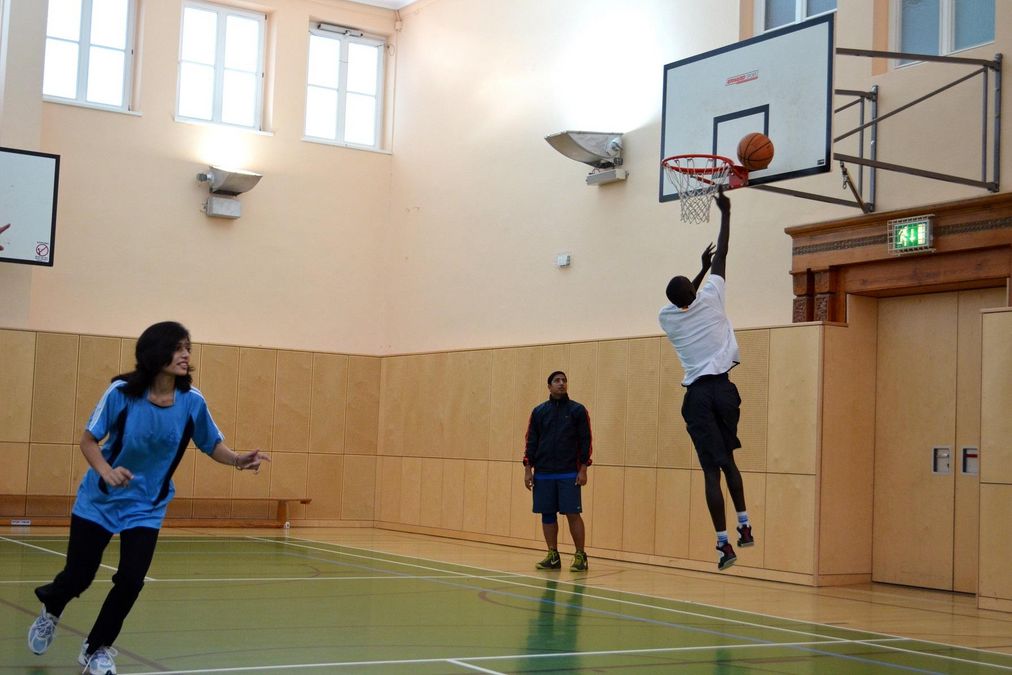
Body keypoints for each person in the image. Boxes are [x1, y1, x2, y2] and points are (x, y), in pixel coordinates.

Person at [27, 321, 269, 675]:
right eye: (178, 347)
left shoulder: (191, 402)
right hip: (100, 500)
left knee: (131, 580)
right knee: (79, 577)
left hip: (147, 506)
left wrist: (237, 460)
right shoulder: (121, 394)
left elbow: (210, 442)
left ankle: (97, 649)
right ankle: (51, 610)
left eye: (189, 348)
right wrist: (106, 472)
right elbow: (89, 440)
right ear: (155, 352)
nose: (186, 355)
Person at [658, 187, 754, 571]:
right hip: (725, 391)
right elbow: (723, 255)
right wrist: (725, 213)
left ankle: (723, 544)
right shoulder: (713, 296)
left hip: (697, 396)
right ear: (695, 290)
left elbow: (684, 297)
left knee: (710, 470)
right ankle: (745, 526)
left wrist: (694, 275)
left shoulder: (667, 318)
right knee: (729, 461)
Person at [523, 371, 593, 572]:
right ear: (549, 386)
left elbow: (586, 440)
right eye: (557, 381)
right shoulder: (538, 412)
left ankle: (580, 555)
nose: (561, 384)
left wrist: (583, 468)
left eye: (564, 380)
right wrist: (528, 468)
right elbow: (531, 441)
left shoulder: (577, 411)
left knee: (573, 513)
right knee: (547, 514)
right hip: (543, 473)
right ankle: (552, 555)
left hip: (568, 472)